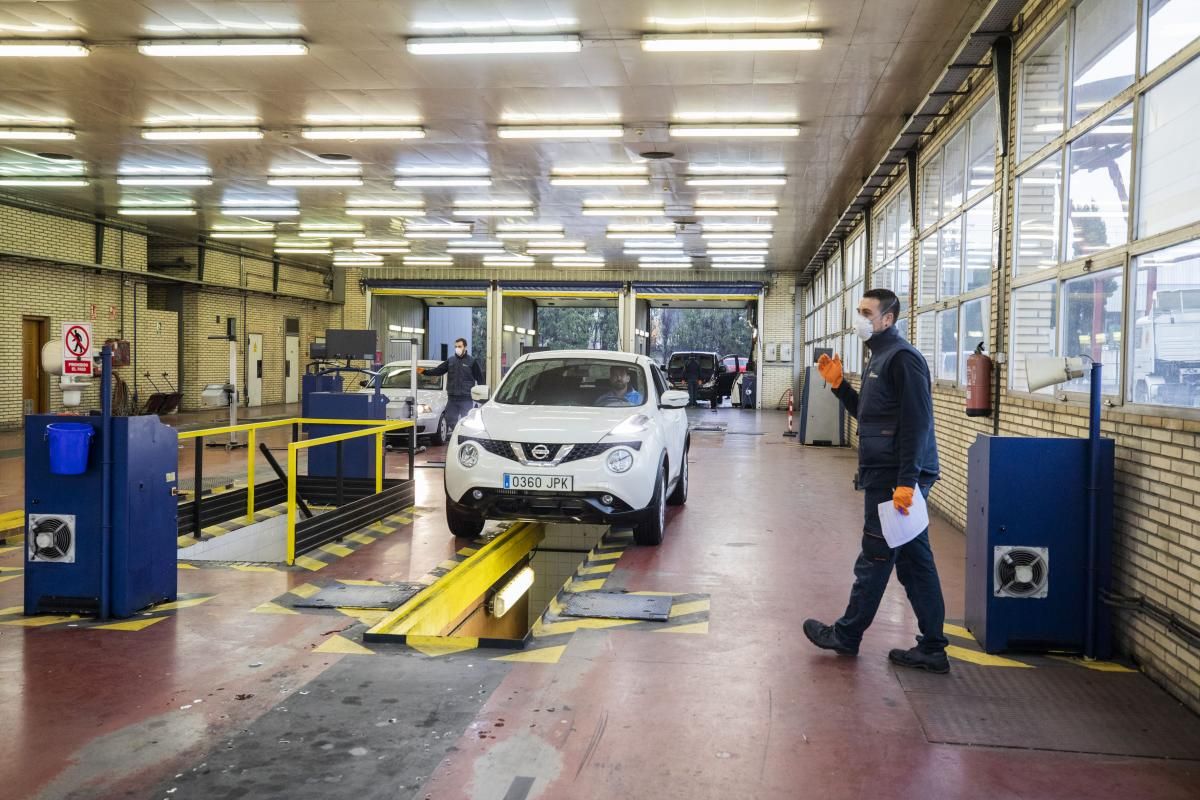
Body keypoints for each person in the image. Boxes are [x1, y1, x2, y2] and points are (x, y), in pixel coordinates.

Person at [803, 288, 949, 674]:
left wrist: (907, 481)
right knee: (915, 562)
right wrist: (839, 387)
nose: (861, 319)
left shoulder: (903, 359)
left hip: (895, 479)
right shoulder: (879, 358)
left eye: (868, 313)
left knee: (876, 556)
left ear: (889, 318)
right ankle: (933, 647)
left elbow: (918, 424)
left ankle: (847, 635)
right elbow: (870, 418)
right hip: (888, 474)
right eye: (859, 311)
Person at [419, 338, 484, 432]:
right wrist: (424, 371)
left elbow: (480, 378)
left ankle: (464, 436)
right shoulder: (451, 360)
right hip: (452, 398)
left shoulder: (472, 362)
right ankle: (457, 432)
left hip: (466, 398)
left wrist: (482, 396)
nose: (457, 348)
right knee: (449, 418)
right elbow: (438, 370)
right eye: (456, 346)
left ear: (465, 347)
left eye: (459, 346)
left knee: (467, 420)